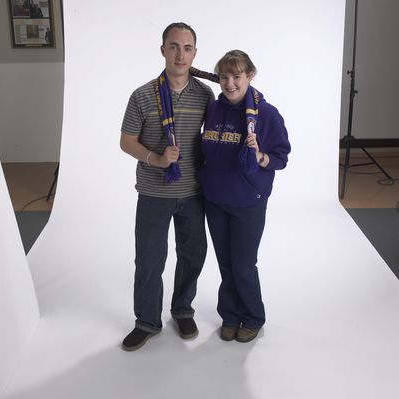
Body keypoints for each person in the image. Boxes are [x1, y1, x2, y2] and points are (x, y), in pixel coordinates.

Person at [120, 22, 215, 351]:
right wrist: (154, 158)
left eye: (187, 48)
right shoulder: (142, 95)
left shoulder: (206, 94)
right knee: (149, 259)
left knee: (193, 255)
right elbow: (126, 141)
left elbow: (214, 138)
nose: (180, 54)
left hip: (192, 192)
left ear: (194, 54)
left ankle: (182, 309)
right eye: (174, 46)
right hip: (153, 192)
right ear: (163, 50)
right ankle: (147, 320)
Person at [198, 50, 291, 343]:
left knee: (243, 264)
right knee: (225, 263)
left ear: (249, 76)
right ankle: (229, 315)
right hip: (214, 199)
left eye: (236, 76)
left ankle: (252, 317)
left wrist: (260, 156)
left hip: (249, 201)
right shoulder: (213, 109)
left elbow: (281, 156)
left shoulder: (267, 114)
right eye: (224, 77)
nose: (230, 83)